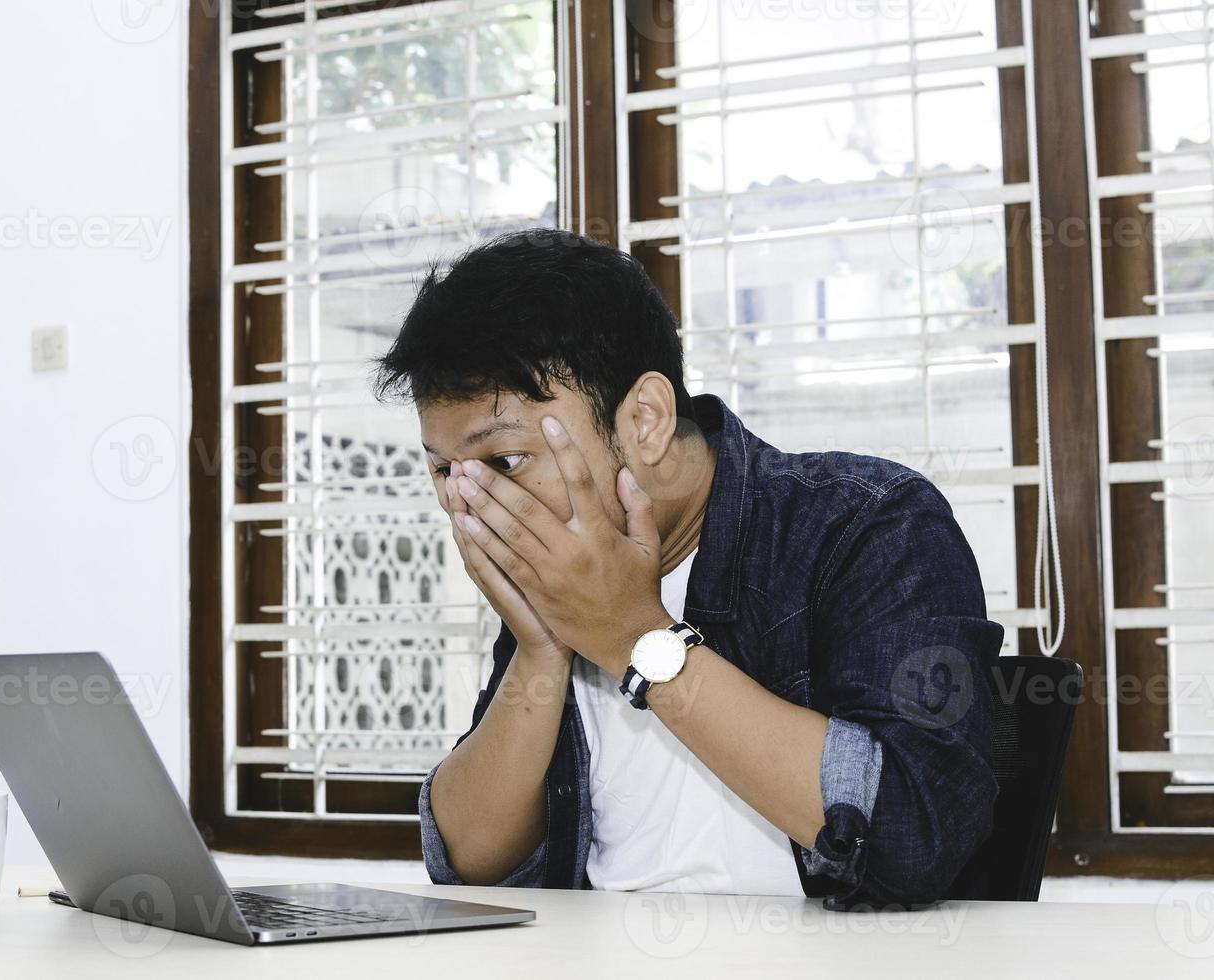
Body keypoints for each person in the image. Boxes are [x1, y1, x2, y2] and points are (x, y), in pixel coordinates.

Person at [374, 229, 1002, 908]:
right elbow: (468, 865)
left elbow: (913, 836)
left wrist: (637, 637)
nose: (472, 503)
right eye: (443, 470)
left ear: (645, 418)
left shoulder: (868, 526)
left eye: (504, 460)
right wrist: (540, 649)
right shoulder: (560, 571)